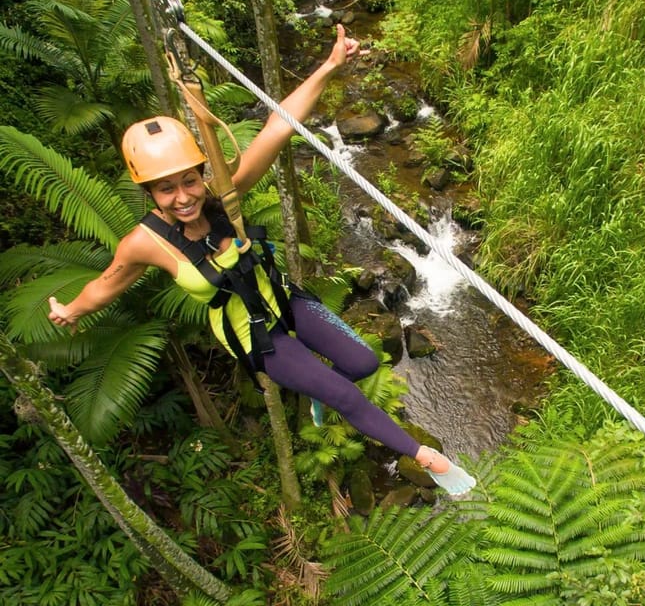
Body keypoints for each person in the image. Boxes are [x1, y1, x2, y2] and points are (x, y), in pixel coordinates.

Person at [48, 25, 475, 497]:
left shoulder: (223, 197)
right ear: (148, 191)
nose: (184, 197)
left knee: (362, 361)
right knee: (344, 395)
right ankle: (426, 457)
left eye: (189, 181)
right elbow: (107, 284)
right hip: (255, 336)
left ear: (200, 174)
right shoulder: (146, 242)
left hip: (286, 302)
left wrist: (330, 66)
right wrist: (71, 310)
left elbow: (278, 125)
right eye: (166, 188)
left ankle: (319, 388)